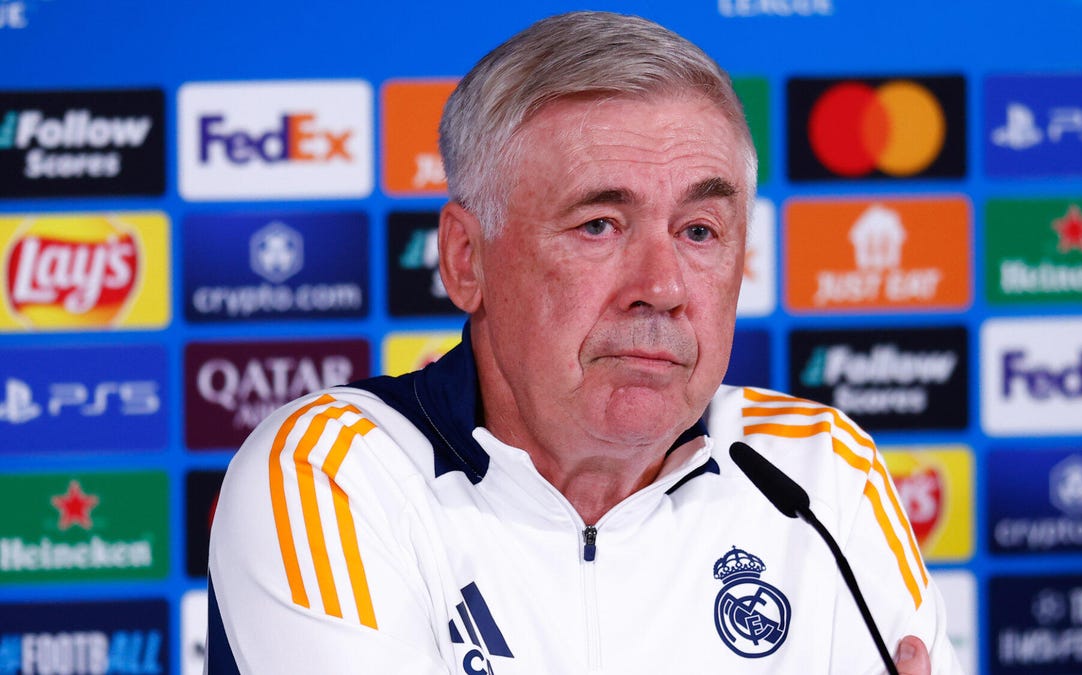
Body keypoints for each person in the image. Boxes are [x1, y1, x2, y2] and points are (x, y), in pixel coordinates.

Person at [206, 10, 961, 674]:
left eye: (699, 231)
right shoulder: (334, 473)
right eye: (599, 224)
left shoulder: (819, 476)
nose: (660, 285)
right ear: (467, 258)